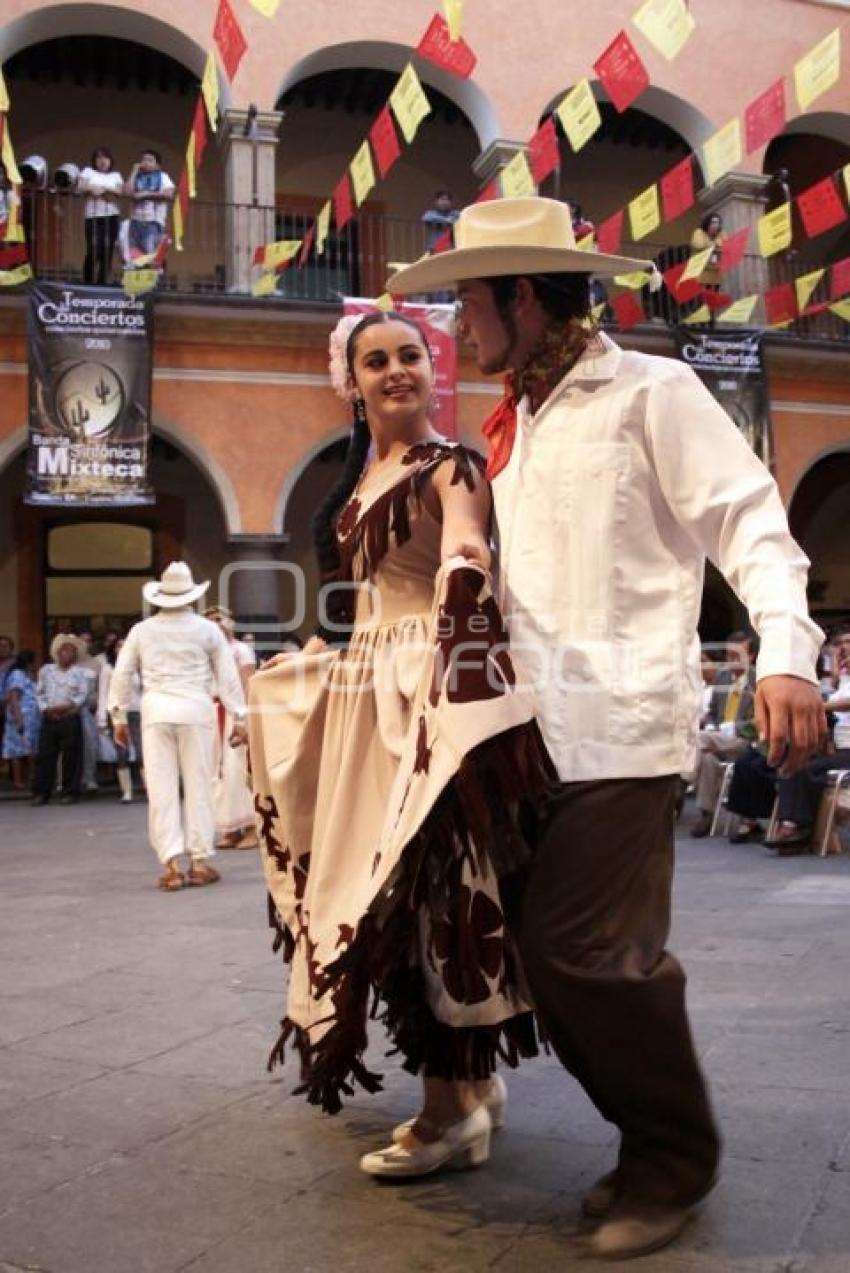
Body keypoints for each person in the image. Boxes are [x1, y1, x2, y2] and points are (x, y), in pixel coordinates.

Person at [388, 195, 826, 1260]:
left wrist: (784, 655)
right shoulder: (524, 421)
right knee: (551, 959)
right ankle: (649, 1150)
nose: (458, 326)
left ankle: (675, 1160)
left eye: (468, 303)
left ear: (522, 298)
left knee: (589, 953)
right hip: (532, 738)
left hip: (623, 729)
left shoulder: (653, 390)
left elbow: (749, 522)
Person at [248, 311, 553, 1178]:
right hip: (369, 693)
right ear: (351, 382)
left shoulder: (449, 464)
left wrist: (465, 585)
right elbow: (365, 601)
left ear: (432, 367)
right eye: (374, 360)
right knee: (384, 892)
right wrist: (316, 652)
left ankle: (450, 1107)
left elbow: (465, 540)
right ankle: (467, 1086)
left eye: (409, 355)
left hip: (430, 690)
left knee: (431, 892)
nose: (394, 371)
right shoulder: (360, 479)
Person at [109, 562, 247, 891]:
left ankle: (171, 865)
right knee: (200, 785)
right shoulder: (207, 630)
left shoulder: (142, 631)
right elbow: (227, 677)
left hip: (156, 710)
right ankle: (199, 862)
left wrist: (117, 716)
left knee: (161, 789)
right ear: (191, 596)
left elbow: (122, 673)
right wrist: (240, 717)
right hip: (196, 711)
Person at [689, 631, 758, 838]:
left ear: (752, 656)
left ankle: (680, 777)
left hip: (743, 740)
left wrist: (733, 727)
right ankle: (706, 813)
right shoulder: (722, 676)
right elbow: (711, 713)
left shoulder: (758, 680)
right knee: (708, 758)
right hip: (716, 739)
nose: (732, 661)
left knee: (697, 739)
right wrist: (711, 725)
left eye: (738, 656)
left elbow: (759, 722)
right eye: (729, 656)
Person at [204, 605, 258, 850]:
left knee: (238, 770)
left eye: (219, 618)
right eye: (209, 620)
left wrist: (245, 718)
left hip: (235, 714)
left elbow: (249, 683)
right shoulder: (208, 652)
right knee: (219, 774)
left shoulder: (240, 650)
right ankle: (230, 828)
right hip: (213, 714)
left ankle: (252, 827)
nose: (215, 623)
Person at [32, 634, 89, 806]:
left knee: (72, 756)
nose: (67, 653)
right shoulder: (46, 671)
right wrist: (47, 709)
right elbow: (39, 693)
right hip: (50, 718)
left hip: (70, 717)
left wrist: (68, 708)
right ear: (57, 652)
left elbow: (82, 695)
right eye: (64, 650)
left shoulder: (80, 673)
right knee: (45, 756)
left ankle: (70, 792)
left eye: (71, 650)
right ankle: (41, 793)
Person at [97, 637, 138, 803]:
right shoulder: (108, 669)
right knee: (122, 751)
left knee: (143, 751)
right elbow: (103, 694)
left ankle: (150, 790)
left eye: (124, 645)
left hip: (137, 710)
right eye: (118, 646)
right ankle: (126, 791)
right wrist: (101, 719)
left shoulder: (138, 667)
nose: (121, 649)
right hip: (118, 712)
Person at [76, 148, 124, 285]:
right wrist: (91, 189)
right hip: (93, 216)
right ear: (94, 161)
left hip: (111, 216)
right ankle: (88, 280)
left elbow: (120, 191)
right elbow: (80, 187)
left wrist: (104, 189)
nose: (102, 161)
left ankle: (102, 282)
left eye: (106, 158)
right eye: (99, 158)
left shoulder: (115, 175)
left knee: (107, 250)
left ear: (110, 161)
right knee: (93, 248)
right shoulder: (88, 171)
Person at [2, 650, 41, 792]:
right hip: (21, 717)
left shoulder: (28, 676)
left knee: (30, 749)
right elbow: (13, 697)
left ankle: (31, 778)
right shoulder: (17, 675)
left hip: (32, 718)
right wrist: (18, 719)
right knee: (17, 751)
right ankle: (18, 781)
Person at [124, 148, 174, 259]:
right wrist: (134, 172)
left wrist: (145, 194)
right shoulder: (137, 177)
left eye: (150, 160)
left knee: (149, 255)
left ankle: (155, 275)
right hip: (135, 221)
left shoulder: (163, 176)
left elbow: (169, 194)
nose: (145, 162)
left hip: (153, 222)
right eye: (143, 160)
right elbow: (127, 191)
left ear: (157, 165)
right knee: (135, 255)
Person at [689, 212, 725, 293]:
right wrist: (714, 245)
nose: (716, 225)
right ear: (707, 223)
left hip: (715, 275)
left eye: (718, 223)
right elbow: (699, 244)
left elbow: (726, 245)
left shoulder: (721, 234)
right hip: (702, 275)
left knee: (713, 300)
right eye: (713, 222)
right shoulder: (699, 232)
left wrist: (715, 245)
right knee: (702, 299)